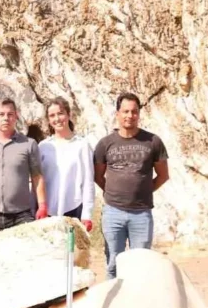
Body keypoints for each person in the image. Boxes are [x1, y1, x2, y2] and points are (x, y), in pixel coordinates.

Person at [94, 92, 170, 279]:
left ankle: (138, 306)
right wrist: (113, 193)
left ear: (139, 114)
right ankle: (114, 306)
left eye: (134, 112)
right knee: (113, 263)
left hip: (141, 214)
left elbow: (163, 175)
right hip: (113, 213)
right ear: (117, 113)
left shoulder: (153, 142)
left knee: (141, 264)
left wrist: (143, 191)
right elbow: (98, 176)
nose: (130, 115)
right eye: (125, 111)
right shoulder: (105, 144)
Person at [0, 99, 48, 235]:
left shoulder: (29, 144)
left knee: (24, 256)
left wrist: (42, 205)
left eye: (10, 114)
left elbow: (37, 177)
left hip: (21, 216)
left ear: (16, 116)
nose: (6, 118)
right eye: (1, 114)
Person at [39, 97, 95, 231]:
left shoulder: (82, 145)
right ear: (48, 120)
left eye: (60, 113)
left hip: (74, 208)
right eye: (52, 115)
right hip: (48, 211)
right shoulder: (43, 146)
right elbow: (37, 181)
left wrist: (87, 214)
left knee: (72, 251)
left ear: (68, 115)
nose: (57, 119)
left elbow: (88, 181)